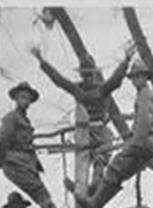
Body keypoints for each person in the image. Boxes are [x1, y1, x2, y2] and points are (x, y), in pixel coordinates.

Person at [31, 45, 134, 190]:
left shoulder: (100, 89)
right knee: (84, 158)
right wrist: (42, 61)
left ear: (94, 74)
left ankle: (95, 183)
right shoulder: (79, 90)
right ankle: (81, 186)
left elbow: (116, 79)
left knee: (101, 156)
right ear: (81, 76)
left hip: (100, 129)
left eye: (89, 75)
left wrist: (126, 61)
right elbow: (59, 80)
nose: (87, 78)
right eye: (85, 75)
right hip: (84, 130)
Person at [75, 59, 153, 208]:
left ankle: (95, 202)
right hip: (150, 144)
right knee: (119, 173)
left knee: (115, 164)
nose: (136, 80)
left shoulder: (144, 94)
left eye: (140, 77)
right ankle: (96, 203)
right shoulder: (146, 94)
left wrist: (134, 143)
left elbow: (144, 120)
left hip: (144, 141)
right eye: (134, 77)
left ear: (145, 77)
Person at [0, 81, 75, 208]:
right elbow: (2, 139)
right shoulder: (11, 118)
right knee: (40, 193)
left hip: (26, 163)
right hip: (14, 163)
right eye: (22, 97)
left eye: (28, 98)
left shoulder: (24, 120)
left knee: (43, 193)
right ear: (15, 99)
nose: (25, 101)